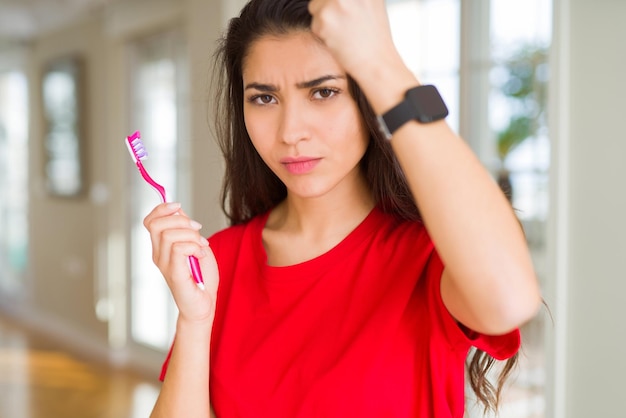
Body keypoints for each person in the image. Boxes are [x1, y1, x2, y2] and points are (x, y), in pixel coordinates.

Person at [144, 0, 542, 416]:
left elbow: (510, 301)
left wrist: (382, 63)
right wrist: (194, 321)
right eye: (264, 98)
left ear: (368, 99)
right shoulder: (218, 262)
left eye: (323, 92)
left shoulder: (427, 257)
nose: (291, 132)